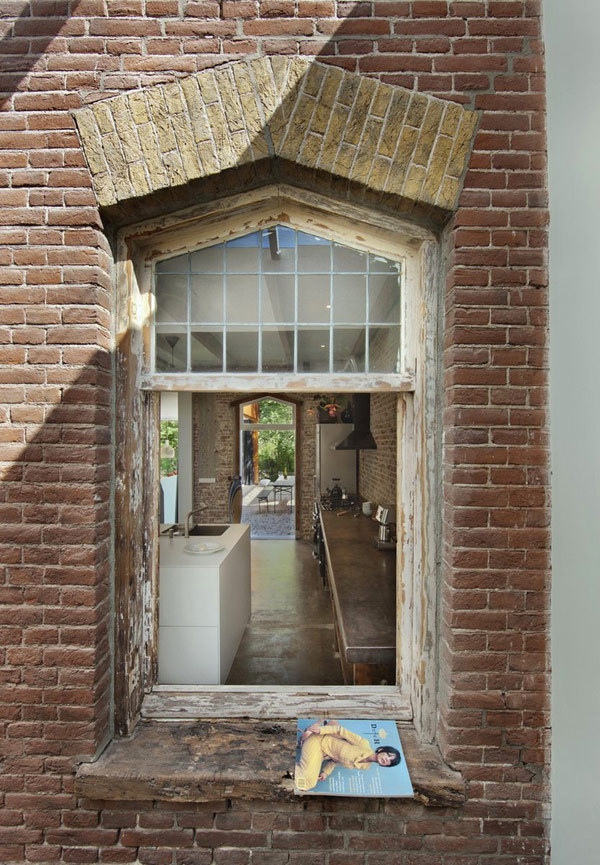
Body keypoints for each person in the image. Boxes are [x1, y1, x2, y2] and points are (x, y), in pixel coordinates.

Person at [294, 719, 401, 791]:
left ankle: (288, 775)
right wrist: (320, 730)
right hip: (319, 740)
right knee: (309, 781)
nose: (387, 760)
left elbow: (336, 761)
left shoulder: (365, 767)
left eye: (390, 762)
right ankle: (286, 774)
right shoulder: (364, 744)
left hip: (322, 754)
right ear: (381, 749)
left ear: (386, 766)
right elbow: (340, 730)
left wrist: (326, 772)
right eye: (388, 755)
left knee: (308, 783)